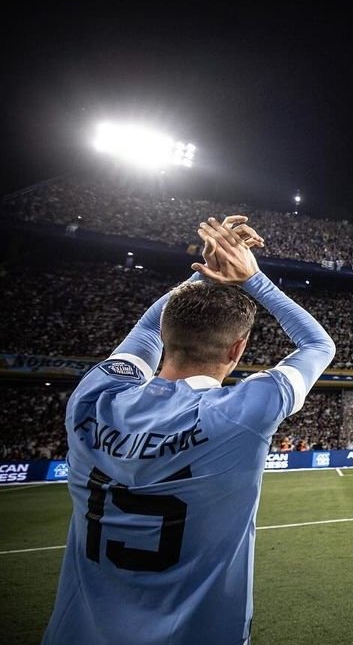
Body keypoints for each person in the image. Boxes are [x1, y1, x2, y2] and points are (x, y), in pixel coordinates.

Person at [44, 216, 336, 645]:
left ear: (166, 333)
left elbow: (147, 328)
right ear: (238, 349)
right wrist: (252, 278)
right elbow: (318, 345)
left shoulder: (95, 398)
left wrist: (204, 272)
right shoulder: (242, 412)